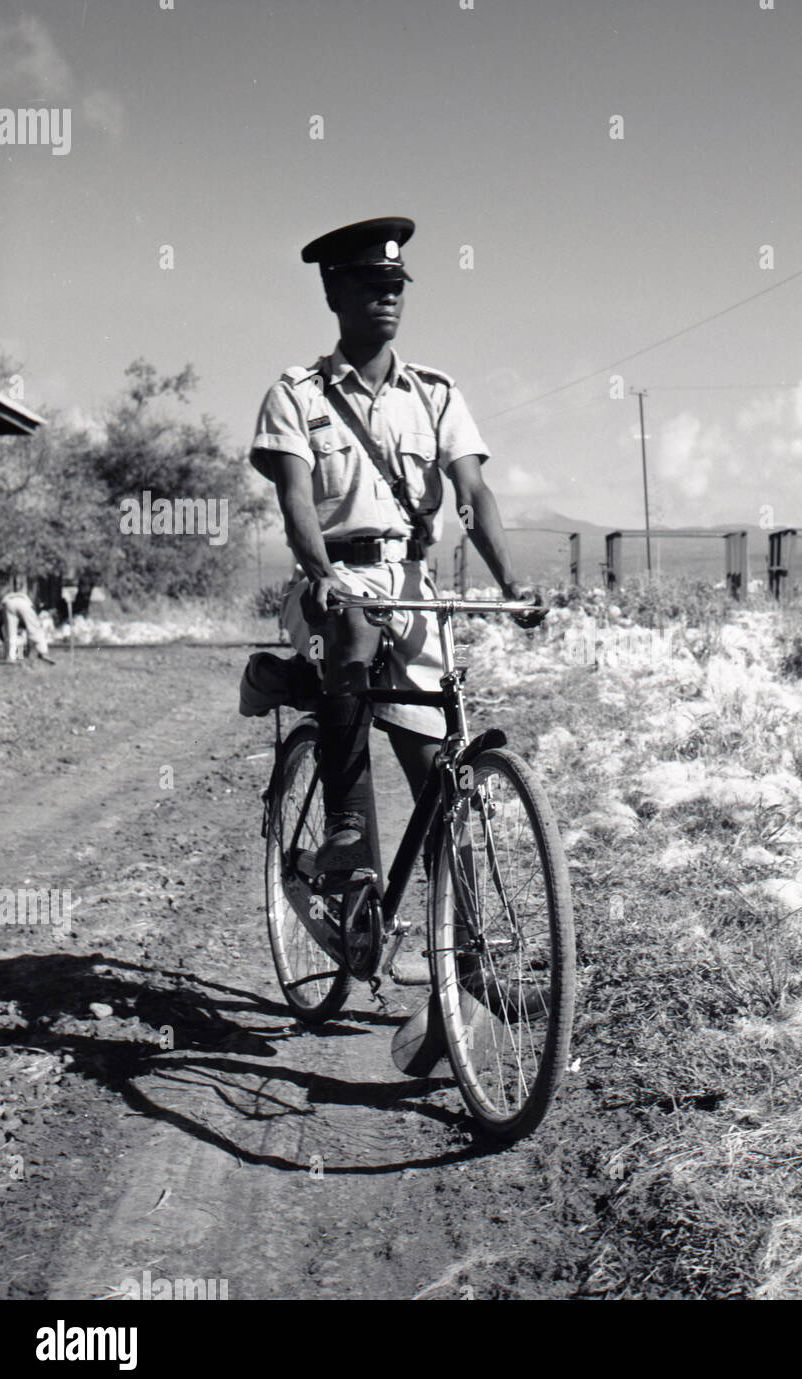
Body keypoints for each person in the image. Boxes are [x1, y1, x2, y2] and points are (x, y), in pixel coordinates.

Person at [249, 216, 543, 882]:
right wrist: (322, 573)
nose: (387, 296)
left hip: (412, 587)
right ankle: (347, 830)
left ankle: (465, 957)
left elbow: (473, 492)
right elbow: (296, 502)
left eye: (396, 284)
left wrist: (510, 585)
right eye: (369, 283)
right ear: (333, 294)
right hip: (330, 582)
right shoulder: (296, 395)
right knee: (349, 624)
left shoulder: (435, 394)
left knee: (439, 773)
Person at [0, 589, 55, 664]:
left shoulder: (3, 610)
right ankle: (43, 652)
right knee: (34, 630)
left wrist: (5, 641)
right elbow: (31, 631)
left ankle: (11, 657)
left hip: (7, 603)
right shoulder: (26, 603)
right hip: (23, 603)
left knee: (12, 635)